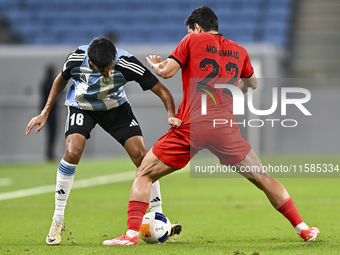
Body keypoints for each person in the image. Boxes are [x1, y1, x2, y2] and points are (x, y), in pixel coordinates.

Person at [103, 6, 320, 246]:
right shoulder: (239, 50)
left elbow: (167, 72)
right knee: (261, 176)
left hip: (192, 124)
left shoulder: (191, 40)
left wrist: (155, 65)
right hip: (223, 126)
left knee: (144, 173)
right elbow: (253, 84)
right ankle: (304, 229)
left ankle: (132, 234)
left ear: (196, 27)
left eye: (190, 29)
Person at [26, 37, 182, 245]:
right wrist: (45, 112)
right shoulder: (75, 60)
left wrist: (171, 113)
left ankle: (159, 217)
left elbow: (161, 90)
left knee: (143, 159)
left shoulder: (126, 62)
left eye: (110, 67)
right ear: (91, 63)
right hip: (82, 107)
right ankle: (58, 219)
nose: (109, 73)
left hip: (116, 110)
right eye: (103, 69)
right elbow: (60, 80)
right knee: (73, 152)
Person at [40, 65, 58, 160]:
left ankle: (50, 152)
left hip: (53, 111)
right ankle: (49, 153)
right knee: (50, 133)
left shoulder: (50, 83)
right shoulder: (48, 83)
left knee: (53, 133)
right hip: (49, 113)